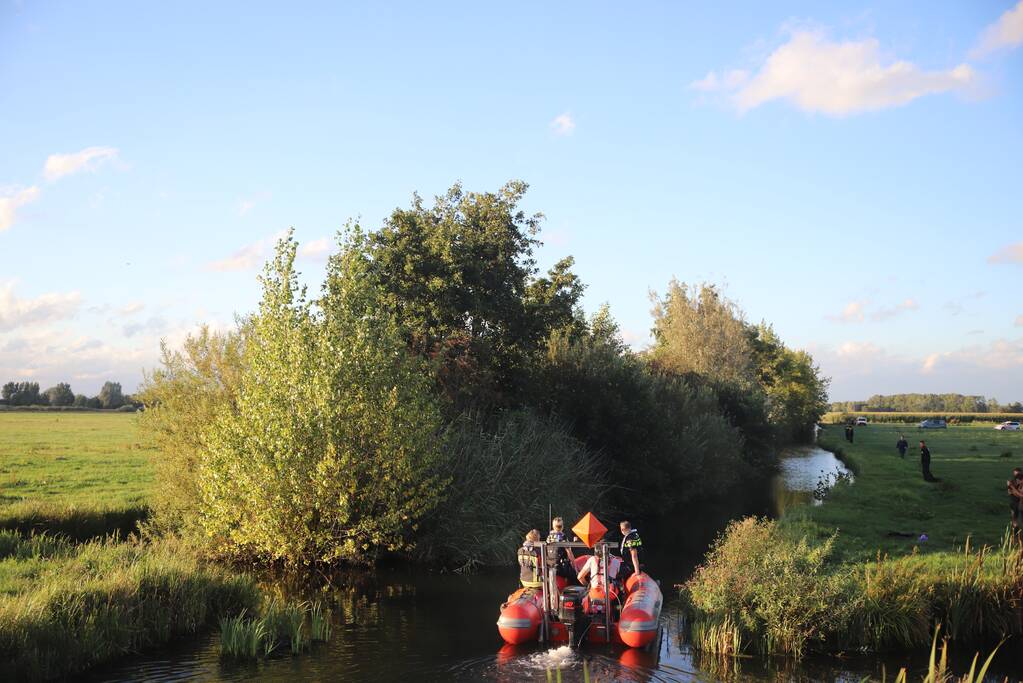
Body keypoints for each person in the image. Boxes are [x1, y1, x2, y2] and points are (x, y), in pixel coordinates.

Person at [1007, 468, 1023, 536]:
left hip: (1020, 503)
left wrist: (1013, 488)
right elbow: (1010, 492)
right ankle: (1015, 532)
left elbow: (1021, 495)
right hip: (1015, 502)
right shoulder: (1012, 481)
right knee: (1014, 517)